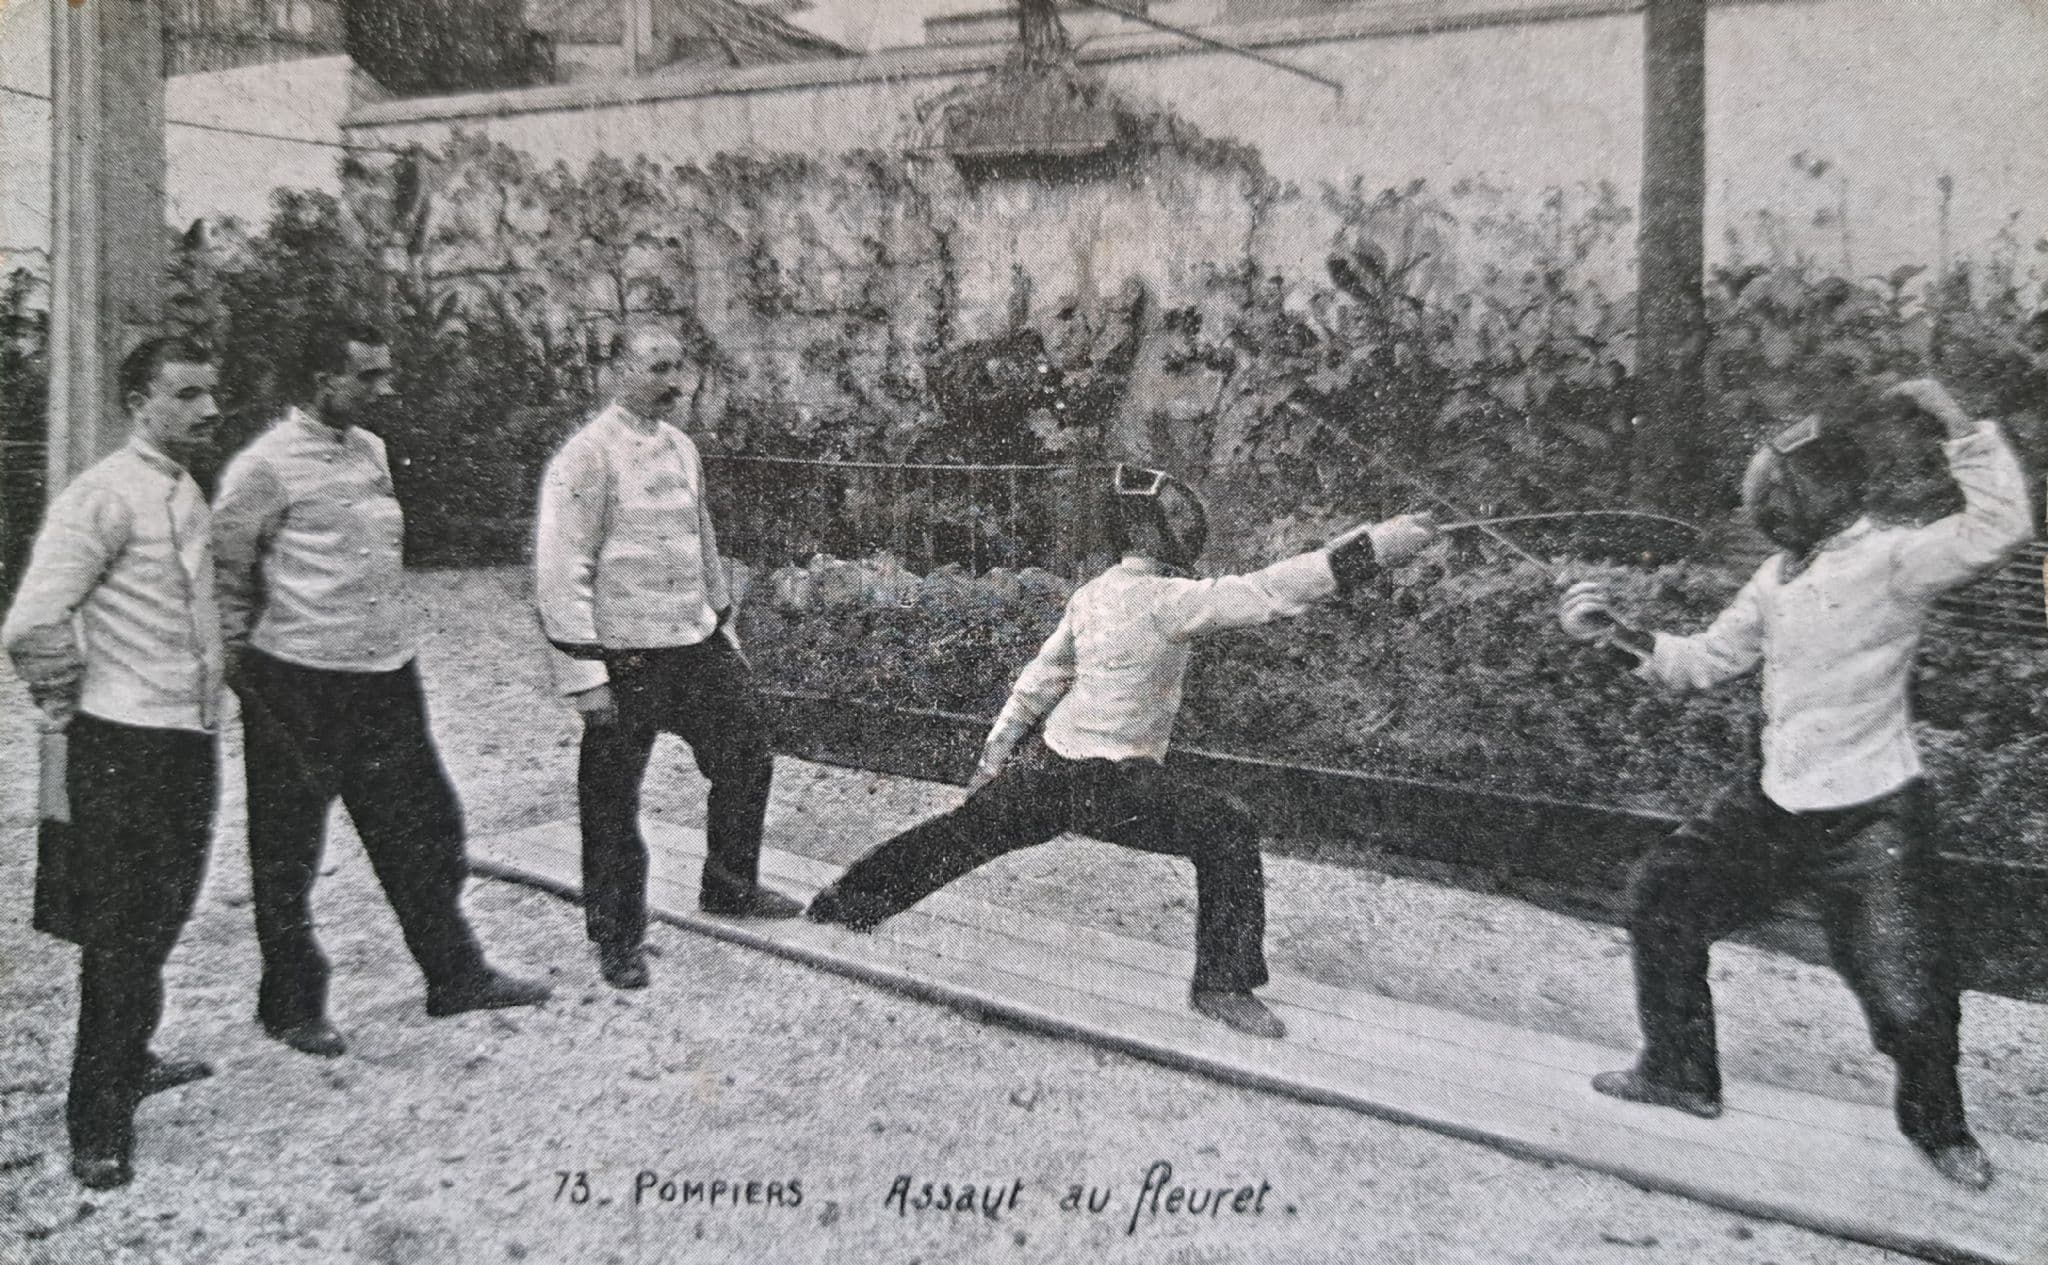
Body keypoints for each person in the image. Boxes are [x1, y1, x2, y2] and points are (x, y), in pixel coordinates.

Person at [1557, 377, 2028, 1191]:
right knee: (1664, 896)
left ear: (1819, 493)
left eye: (1778, 491)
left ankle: (1942, 1131)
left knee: (1909, 991)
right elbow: (1705, 660)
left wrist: (1957, 422)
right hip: (1774, 801)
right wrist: (1614, 634)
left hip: (1872, 815)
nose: (1766, 504)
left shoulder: (1894, 558)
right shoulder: (1776, 577)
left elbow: (2003, 526)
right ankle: (1679, 1072)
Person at [807, 466, 1438, 1038]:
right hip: (1114, 786)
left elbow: (1037, 682)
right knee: (1227, 829)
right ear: (1171, 534)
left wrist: (991, 761)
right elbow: (1273, 589)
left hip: (1049, 765)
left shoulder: (1093, 594)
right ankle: (1222, 986)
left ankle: (843, 904)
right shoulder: (1170, 601)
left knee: (961, 834)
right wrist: (1382, 545)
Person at [211, 322, 549, 1059]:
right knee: (288, 849)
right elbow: (226, 570)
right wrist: (242, 668)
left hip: (385, 671)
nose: (384, 389)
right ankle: (290, 1004)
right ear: (321, 380)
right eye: (367, 376)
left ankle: (454, 975)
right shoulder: (264, 465)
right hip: (298, 679)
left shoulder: (370, 449)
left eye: (384, 373)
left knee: (428, 828)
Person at [3, 336, 226, 1189]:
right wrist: (69, 708)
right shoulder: (101, 494)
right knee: (121, 936)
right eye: (186, 394)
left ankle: (131, 1057)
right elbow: (33, 621)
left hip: (186, 739)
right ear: (139, 402)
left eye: (211, 393)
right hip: (123, 747)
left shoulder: (184, 486)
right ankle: (96, 1121)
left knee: (164, 914)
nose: (209, 409)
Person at [535, 325, 803, 992]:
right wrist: (584, 676)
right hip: (625, 655)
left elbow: (700, 537)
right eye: (657, 367)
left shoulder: (682, 447)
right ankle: (617, 935)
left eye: (678, 367)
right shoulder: (585, 456)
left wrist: (720, 623)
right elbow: (560, 569)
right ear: (618, 371)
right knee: (612, 800)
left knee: (747, 752)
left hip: (691, 642)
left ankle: (731, 884)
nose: (674, 382)